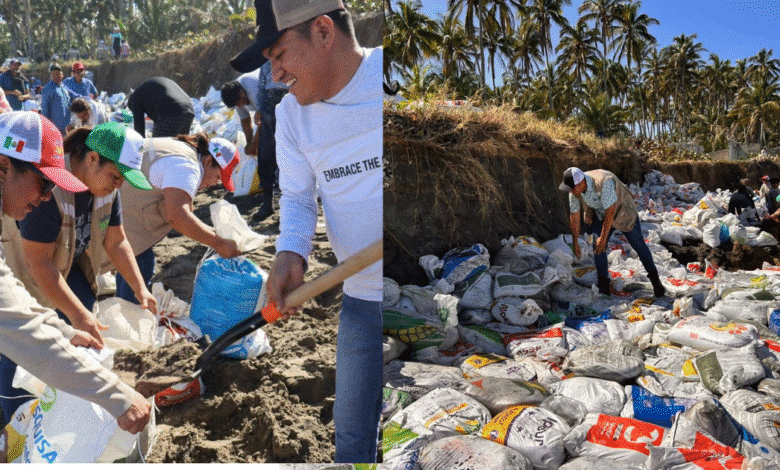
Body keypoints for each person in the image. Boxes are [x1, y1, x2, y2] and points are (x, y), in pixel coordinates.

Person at [230, 0, 382, 462]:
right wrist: (289, 255)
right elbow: (297, 198)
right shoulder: (294, 117)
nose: (274, 76)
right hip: (358, 298)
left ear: (322, 30)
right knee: (352, 440)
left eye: (278, 55)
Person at [0, 111, 150, 433]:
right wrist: (118, 396)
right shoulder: (45, 205)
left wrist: (66, 331)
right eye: (43, 184)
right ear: (4, 167)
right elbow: (19, 323)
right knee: (15, 357)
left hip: (64, 274)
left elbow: (15, 302)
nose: (43, 197)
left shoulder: (102, 193)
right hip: (36, 283)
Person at [116, 134, 242, 304]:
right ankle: (129, 317)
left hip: (120, 207)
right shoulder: (188, 167)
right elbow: (177, 216)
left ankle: (124, 307)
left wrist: (213, 233)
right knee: (141, 265)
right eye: (218, 177)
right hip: (124, 216)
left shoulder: (178, 148)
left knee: (130, 263)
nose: (214, 183)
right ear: (207, 161)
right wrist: (219, 243)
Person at [559, 167, 666, 298]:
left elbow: (610, 211)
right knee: (597, 246)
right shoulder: (575, 190)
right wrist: (575, 242)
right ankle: (603, 286)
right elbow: (574, 216)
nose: (570, 191)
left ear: (580, 184)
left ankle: (656, 281)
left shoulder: (605, 182)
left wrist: (603, 238)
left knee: (638, 244)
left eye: (572, 188)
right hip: (600, 213)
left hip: (622, 211)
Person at [220, 65, 288, 218]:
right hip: (270, 114)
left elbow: (264, 119)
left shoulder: (252, 86)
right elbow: (245, 120)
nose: (240, 105)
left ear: (241, 92)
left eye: (240, 101)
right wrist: (248, 144)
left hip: (282, 103)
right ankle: (268, 200)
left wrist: (255, 144)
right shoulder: (236, 96)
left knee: (268, 152)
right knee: (265, 154)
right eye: (237, 105)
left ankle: (271, 200)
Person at [127, 77, 195, 138]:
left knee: (156, 148)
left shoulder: (135, 98)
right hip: (189, 110)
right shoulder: (147, 89)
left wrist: (141, 148)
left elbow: (139, 131)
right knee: (181, 147)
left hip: (171, 112)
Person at [41, 63, 78, 135]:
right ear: (51, 76)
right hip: (55, 128)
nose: (56, 76)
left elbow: (71, 100)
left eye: (58, 74)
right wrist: (47, 127)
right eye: (53, 74)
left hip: (66, 126)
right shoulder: (48, 88)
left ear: (62, 75)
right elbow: (45, 109)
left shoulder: (64, 88)